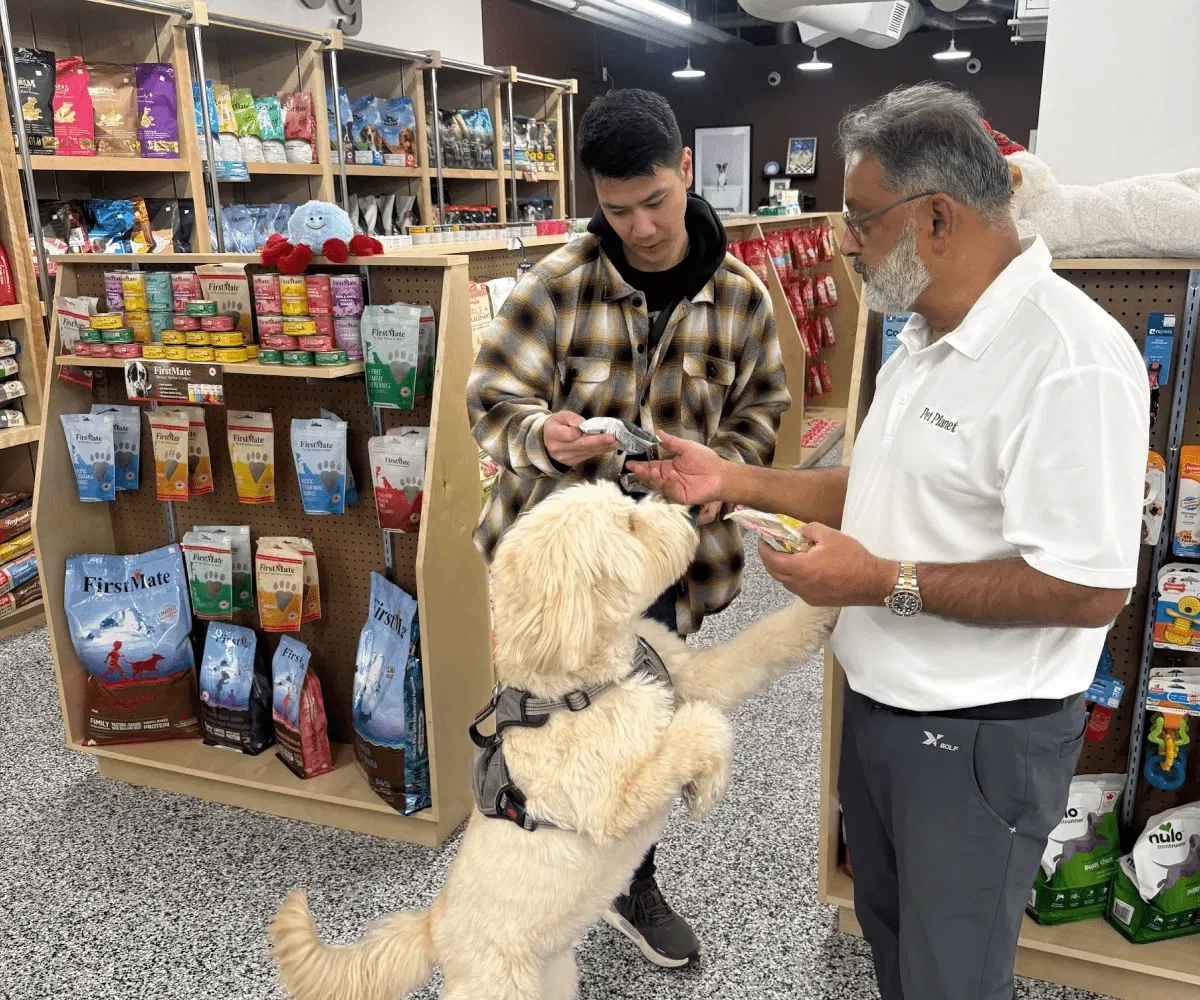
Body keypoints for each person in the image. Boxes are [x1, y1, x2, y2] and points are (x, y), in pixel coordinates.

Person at [628, 83, 1147, 1000]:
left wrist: (879, 581)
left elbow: (1088, 588)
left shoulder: (1070, 358)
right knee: (897, 952)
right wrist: (734, 479)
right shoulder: (922, 336)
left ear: (936, 217)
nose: (843, 244)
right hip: (883, 715)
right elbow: (877, 487)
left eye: (861, 220)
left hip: (979, 740)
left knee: (951, 977)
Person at [466, 87, 790, 968]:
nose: (641, 227)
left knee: (644, 729)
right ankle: (528, 890)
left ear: (685, 169)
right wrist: (544, 434)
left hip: (669, 566)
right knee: (542, 734)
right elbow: (490, 399)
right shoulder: (558, 282)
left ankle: (630, 879)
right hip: (559, 579)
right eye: (617, 210)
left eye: (654, 200)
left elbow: (763, 412)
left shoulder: (744, 297)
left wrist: (718, 480)